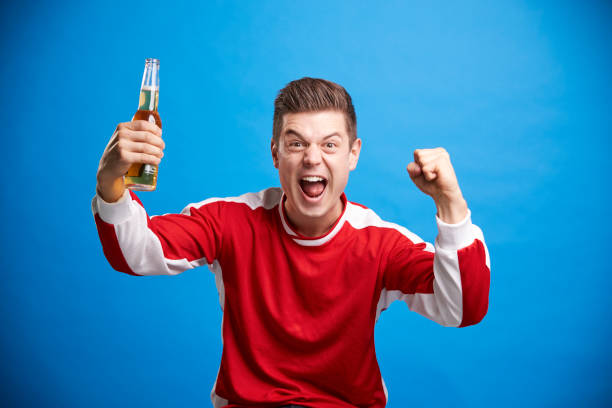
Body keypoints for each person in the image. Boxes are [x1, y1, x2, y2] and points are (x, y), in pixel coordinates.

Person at [92, 77, 490, 408]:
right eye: (296, 143)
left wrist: (450, 202)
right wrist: (110, 179)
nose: (312, 158)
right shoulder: (230, 220)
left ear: (353, 155)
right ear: (275, 153)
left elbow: (462, 307)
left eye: (330, 145)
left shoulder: (381, 242)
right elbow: (135, 252)